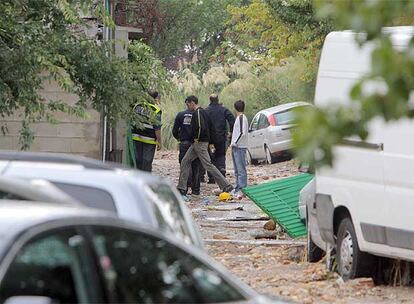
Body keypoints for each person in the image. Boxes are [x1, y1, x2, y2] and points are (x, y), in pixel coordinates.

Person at [177, 95, 233, 199]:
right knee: (185, 161)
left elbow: (199, 127)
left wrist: (196, 139)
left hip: (199, 143)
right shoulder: (204, 112)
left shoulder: (198, 113)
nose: (187, 106)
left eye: (188, 104)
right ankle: (181, 188)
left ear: (192, 103)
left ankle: (226, 185)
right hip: (198, 143)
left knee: (208, 165)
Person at [172, 100, 201, 195]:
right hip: (197, 143)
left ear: (189, 103)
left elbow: (175, 130)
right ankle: (196, 190)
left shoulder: (181, 115)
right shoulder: (200, 115)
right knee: (196, 165)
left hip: (185, 143)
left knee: (185, 165)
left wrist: (180, 138)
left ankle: (184, 188)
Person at [204, 94, 235, 183]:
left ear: (210, 100)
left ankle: (212, 178)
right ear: (218, 100)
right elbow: (231, 119)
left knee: (210, 158)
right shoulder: (223, 109)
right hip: (221, 138)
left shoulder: (206, 111)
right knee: (221, 155)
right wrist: (232, 132)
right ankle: (222, 173)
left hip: (209, 139)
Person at [131, 91, 162, 172]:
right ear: (155, 99)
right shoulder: (156, 110)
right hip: (149, 140)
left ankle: (137, 179)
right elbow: (157, 128)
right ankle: (146, 179)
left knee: (138, 161)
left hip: (136, 138)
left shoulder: (137, 106)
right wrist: (159, 141)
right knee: (147, 162)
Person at [230, 100, 249, 199]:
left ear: (235, 108)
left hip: (239, 147)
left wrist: (235, 142)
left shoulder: (241, 118)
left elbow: (242, 132)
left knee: (241, 169)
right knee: (237, 170)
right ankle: (237, 187)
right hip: (236, 147)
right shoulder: (239, 118)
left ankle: (242, 189)